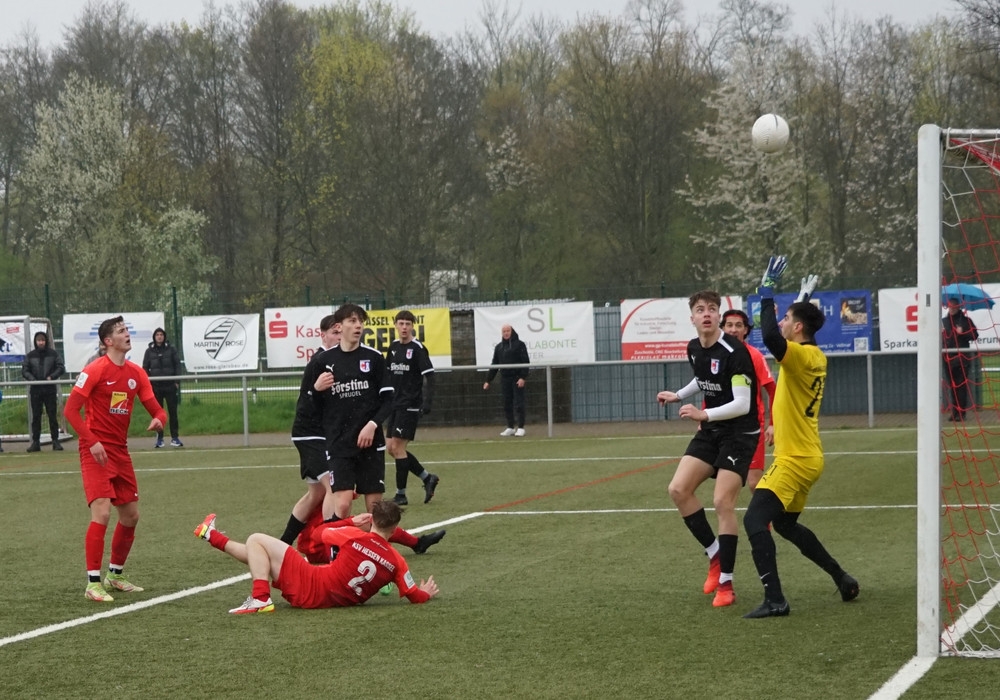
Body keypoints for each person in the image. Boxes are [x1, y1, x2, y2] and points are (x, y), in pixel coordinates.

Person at [742, 257, 859, 619]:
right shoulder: (812, 355)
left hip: (794, 460)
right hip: (808, 457)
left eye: (787, 319)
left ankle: (775, 599)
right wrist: (801, 301)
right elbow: (786, 332)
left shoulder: (801, 356)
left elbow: (771, 337)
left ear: (797, 327)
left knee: (754, 521)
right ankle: (841, 577)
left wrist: (766, 292)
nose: (780, 323)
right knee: (785, 524)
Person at [657, 290, 759, 608]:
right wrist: (678, 395)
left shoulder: (735, 352)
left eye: (712, 309)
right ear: (692, 318)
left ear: (718, 317)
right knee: (678, 489)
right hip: (712, 430)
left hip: (739, 434)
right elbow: (703, 379)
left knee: (722, 502)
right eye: (700, 309)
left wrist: (704, 414)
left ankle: (726, 584)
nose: (706, 314)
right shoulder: (693, 348)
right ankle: (715, 554)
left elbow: (742, 404)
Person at [63, 316, 166, 603]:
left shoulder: (136, 373)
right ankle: (93, 583)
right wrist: (92, 440)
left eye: (127, 330)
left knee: (131, 516)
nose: (127, 334)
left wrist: (160, 419)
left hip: (120, 452)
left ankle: (115, 575)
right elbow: (70, 411)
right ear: (108, 341)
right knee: (103, 512)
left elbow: (158, 410)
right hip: (94, 451)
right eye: (121, 331)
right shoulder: (94, 370)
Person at [193, 499, 439, 613]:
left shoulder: (354, 535)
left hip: (311, 584)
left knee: (256, 539)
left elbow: (318, 534)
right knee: (261, 556)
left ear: (371, 520)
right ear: (395, 530)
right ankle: (209, 534)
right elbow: (414, 595)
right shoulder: (397, 560)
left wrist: (350, 521)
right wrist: (425, 593)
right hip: (328, 597)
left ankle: (260, 598)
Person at [278, 315, 342, 547]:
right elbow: (305, 402)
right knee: (333, 487)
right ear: (323, 335)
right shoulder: (319, 362)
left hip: (322, 434)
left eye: (340, 332)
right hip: (309, 434)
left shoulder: (338, 360)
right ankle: (331, 547)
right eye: (334, 333)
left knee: (316, 494)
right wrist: (315, 389)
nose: (339, 337)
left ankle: (283, 544)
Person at [386, 310, 440, 506]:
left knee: (398, 447)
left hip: (409, 405)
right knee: (391, 448)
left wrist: (428, 402)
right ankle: (427, 477)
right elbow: (386, 374)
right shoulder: (393, 347)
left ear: (412, 326)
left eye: (407, 324)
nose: (404, 327)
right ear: (395, 325)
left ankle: (401, 494)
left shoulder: (417, 348)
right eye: (401, 323)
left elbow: (430, 376)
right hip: (394, 404)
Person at [720, 310, 776, 491]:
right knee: (727, 485)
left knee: (754, 482)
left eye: (739, 325)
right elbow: (710, 389)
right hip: (723, 427)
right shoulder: (716, 355)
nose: (733, 329)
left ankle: (768, 511)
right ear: (722, 328)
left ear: (746, 330)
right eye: (729, 325)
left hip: (750, 427)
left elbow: (772, 389)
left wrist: (772, 423)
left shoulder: (754, 355)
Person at [22, 330, 66, 452]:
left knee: (52, 415)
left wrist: (51, 377)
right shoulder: (30, 355)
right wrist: (33, 379)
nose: (41, 342)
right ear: (35, 342)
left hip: (49, 389)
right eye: (38, 340)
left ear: (46, 341)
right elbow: (25, 370)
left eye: (42, 340)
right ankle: (36, 442)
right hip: (35, 390)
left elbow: (61, 367)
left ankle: (55, 441)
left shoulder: (53, 354)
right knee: (36, 416)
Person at [483, 324, 530, 437]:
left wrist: (522, 377)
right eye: (504, 331)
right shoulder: (499, 347)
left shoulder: (520, 345)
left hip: (517, 379)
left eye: (508, 330)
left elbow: (526, 362)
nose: (506, 333)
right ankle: (510, 427)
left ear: (512, 331)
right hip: (505, 379)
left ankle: (521, 427)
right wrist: (488, 380)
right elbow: (495, 364)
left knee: (519, 403)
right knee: (506, 403)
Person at [142, 327, 184, 447]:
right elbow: (145, 367)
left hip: (170, 386)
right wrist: (150, 382)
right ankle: (159, 439)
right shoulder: (149, 351)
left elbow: (177, 365)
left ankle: (175, 438)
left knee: (173, 412)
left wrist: (176, 381)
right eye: (157, 335)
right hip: (156, 387)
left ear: (164, 336)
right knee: (158, 414)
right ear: (154, 337)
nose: (159, 337)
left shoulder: (171, 350)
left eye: (161, 334)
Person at [942, 297, 979, 422]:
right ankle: (955, 412)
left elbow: (974, 335)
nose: (952, 309)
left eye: (954, 306)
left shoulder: (966, 321)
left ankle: (961, 412)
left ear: (958, 307)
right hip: (948, 358)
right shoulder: (943, 321)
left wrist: (963, 332)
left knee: (961, 386)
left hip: (962, 358)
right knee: (952, 386)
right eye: (950, 306)